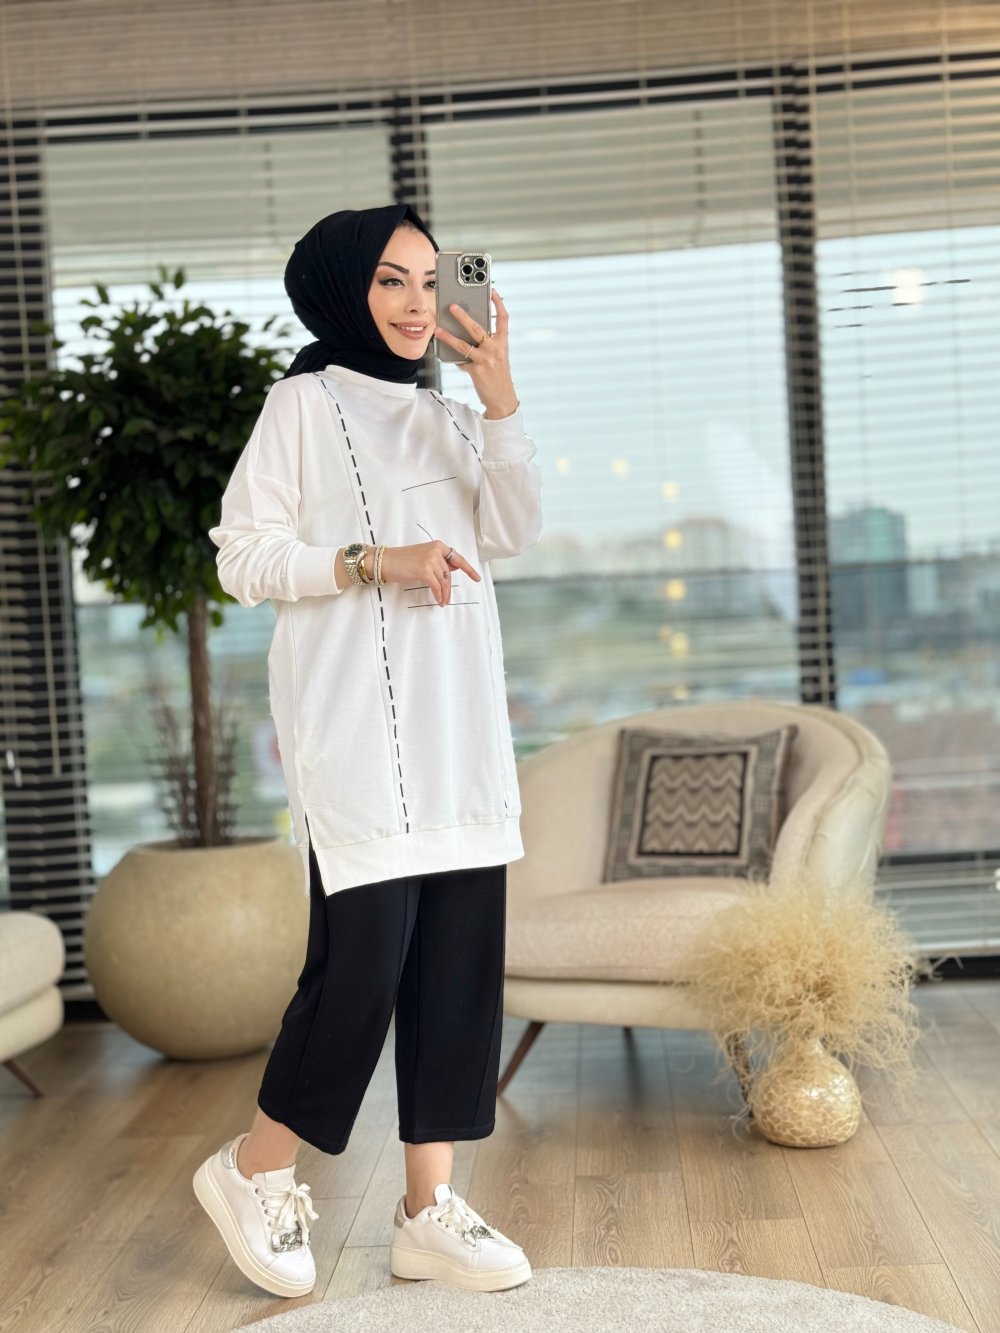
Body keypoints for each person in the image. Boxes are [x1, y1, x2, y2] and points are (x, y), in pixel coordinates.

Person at [192, 203, 543, 1300]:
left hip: (460, 731)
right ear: (345, 289)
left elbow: (515, 531)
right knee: (359, 970)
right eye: (392, 280)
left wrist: (499, 400)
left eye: (432, 280)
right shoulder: (301, 405)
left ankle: (427, 1210)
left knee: (456, 969)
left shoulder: (453, 417)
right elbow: (241, 557)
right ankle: (254, 1166)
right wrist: (372, 560)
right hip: (356, 734)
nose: (417, 303)